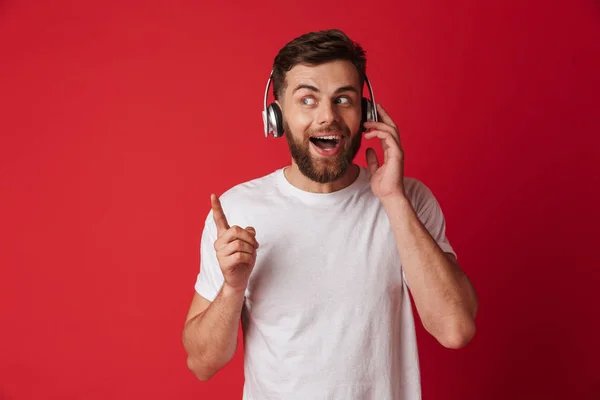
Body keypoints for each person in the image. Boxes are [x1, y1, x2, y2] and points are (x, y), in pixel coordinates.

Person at [182, 28, 478, 400]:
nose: (328, 117)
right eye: (307, 100)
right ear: (276, 116)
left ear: (365, 112)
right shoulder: (237, 211)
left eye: (344, 99)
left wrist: (393, 200)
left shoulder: (409, 201)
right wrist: (233, 287)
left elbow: (456, 329)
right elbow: (201, 363)